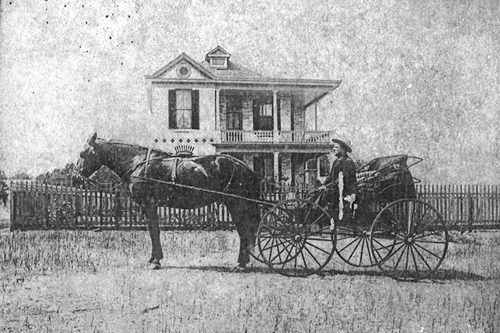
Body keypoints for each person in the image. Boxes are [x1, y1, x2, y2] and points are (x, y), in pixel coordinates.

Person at [314, 138, 357, 215]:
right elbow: (330, 176)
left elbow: (341, 180)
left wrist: (326, 187)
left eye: (336, 147)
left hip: (344, 190)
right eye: (334, 147)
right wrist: (323, 185)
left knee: (325, 193)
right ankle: (309, 208)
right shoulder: (336, 161)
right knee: (315, 192)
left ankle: (317, 213)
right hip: (336, 188)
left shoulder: (348, 162)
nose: (333, 149)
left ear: (343, 149)